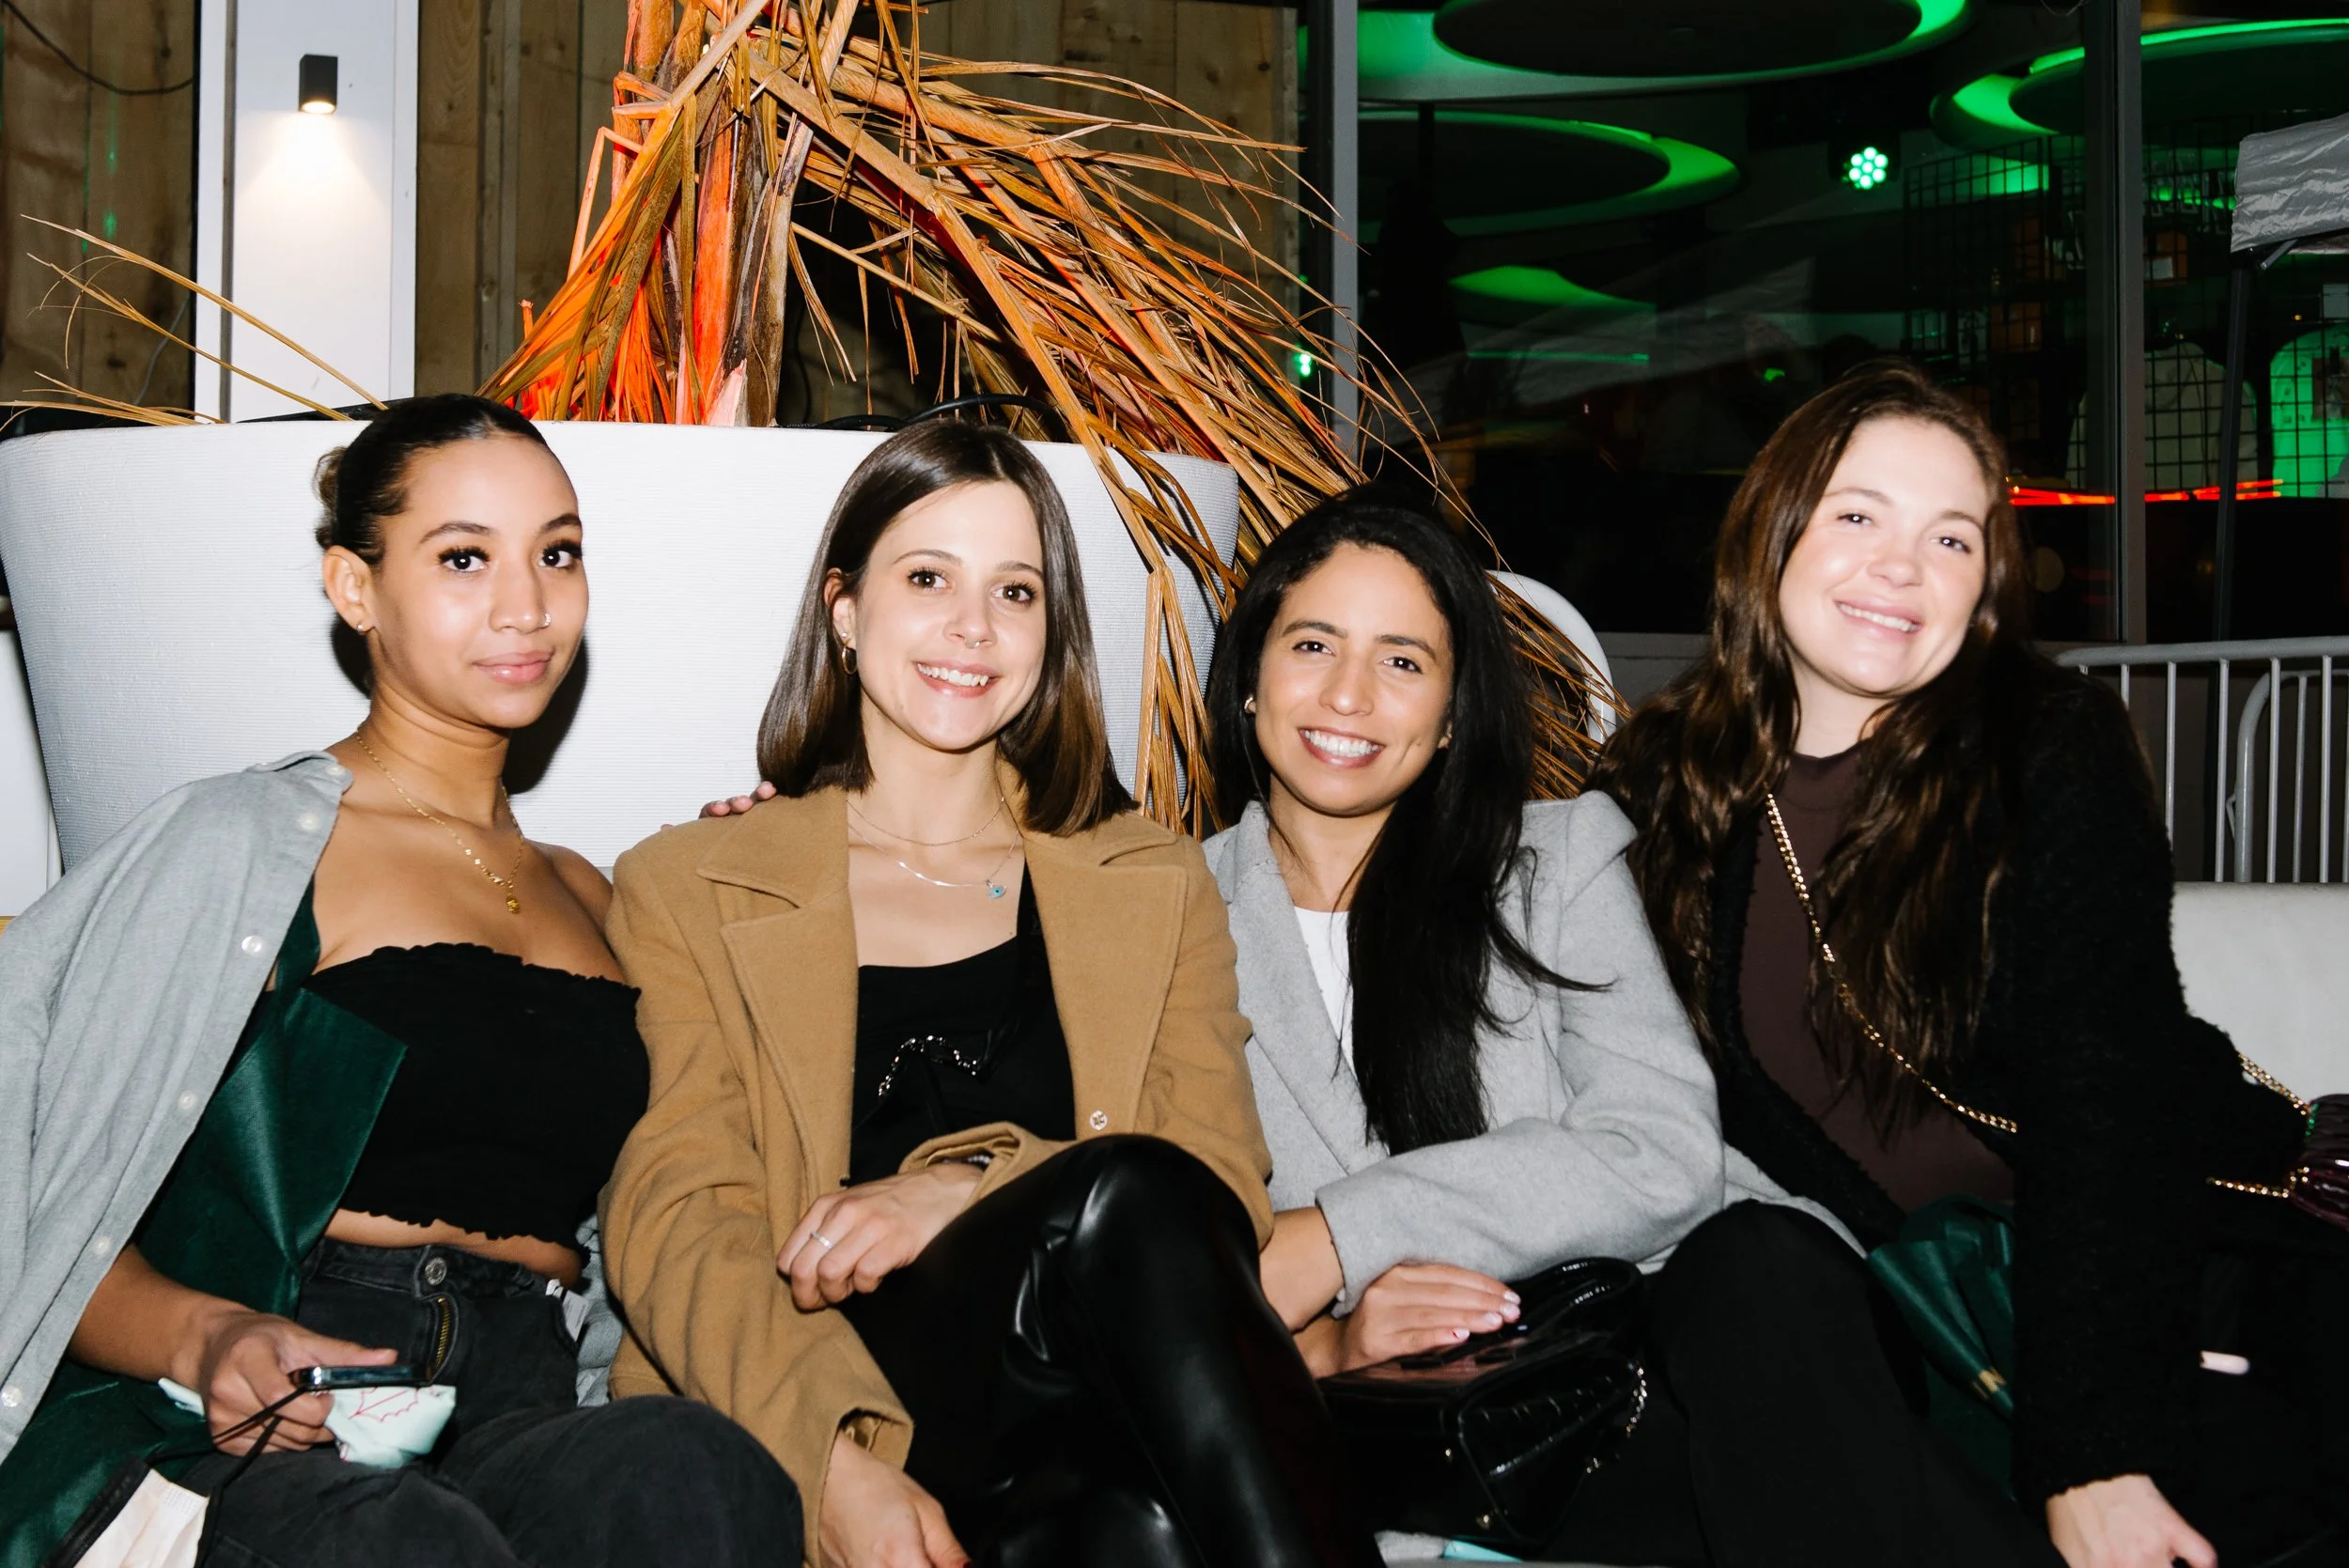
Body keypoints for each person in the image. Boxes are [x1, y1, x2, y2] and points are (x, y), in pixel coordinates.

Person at [0, 395, 800, 1567]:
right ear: (355, 587)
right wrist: (202, 1334)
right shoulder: (248, 842)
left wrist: (771, 882)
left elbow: (731, 1151)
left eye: (557, 553)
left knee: (693, 1467)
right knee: (407, 1542)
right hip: (269, 1409)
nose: (526, 605)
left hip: (522, 1403)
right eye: (464, 558)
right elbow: (38, 1177)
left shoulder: (601, 896)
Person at [1210, 490, 2062, 1567]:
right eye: (1313, 644)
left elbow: (1658, 1151)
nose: (1349, 693)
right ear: (1249, 675)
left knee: (1755, 1265)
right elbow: (1158, 1246)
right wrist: (1329, 1339)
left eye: (1403, 660)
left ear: (1454, 712)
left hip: (1681, 1331)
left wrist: (1339, 1236)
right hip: (1447, 1424)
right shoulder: (1172, 912)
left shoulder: (1556, 861)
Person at [1594, 362, 2349, 1568]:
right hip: (1914, 1307)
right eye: (1858, 514)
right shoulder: (1662, 788)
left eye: (1951, 537)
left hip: (2172, 1279)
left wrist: (2093, 1452)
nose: (1902, 565)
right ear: (1771, 532)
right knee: (1732, 1280)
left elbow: (2104, 1095)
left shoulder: (2043, 743)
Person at [601, 421, 1381, 1568]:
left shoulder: (1147, 877)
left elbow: (1214, 1174)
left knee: (1141, 1519)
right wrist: (834, 1467)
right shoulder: (690, 884)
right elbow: (676, 1215)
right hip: (819, 1374)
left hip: (1080, 1400)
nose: (974, 626)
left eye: (1015, 591)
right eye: (928, 578)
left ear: (1049, 632)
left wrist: (966, 1186)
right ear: (844, 610)